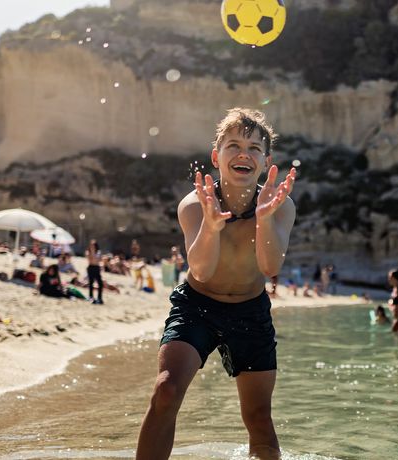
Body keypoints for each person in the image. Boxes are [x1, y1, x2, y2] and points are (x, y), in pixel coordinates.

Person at [137, 108, 297, 460]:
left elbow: (270, 267)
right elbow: (202, 270)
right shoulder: (194, 205)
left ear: (266, 161)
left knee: (258, 418)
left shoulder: (281, 207)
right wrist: (211, 226)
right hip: (198, 306)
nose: (244, 153)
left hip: (250, 312)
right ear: (216, 156)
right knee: (166, 391)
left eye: (255, 148)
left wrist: (264, 219)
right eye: (234, 145)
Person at [86, 240, 104, 304]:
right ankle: (91, 296)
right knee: (91, 283)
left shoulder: (98, 252)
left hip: (96, 268)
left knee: (100, 284)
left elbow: (96, 261)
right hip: (90, 267)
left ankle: (99, 298)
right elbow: (91, 261)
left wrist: (93, 253)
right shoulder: (88, 252)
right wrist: (92, 252)